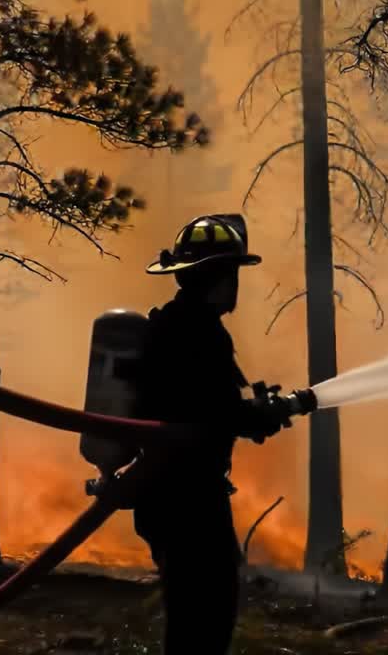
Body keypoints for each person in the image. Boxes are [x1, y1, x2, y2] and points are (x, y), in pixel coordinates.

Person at [132, 213, 297, 655]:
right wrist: (258, 417)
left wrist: (252, 414)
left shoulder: (178, 323)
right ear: (216, 276)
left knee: (196, 616)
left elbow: (204, 405)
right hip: (185, 494)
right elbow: (211, 410)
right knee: (203, 620)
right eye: (232, 273)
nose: (236, 284)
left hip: (171, 490)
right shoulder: (197, 332)